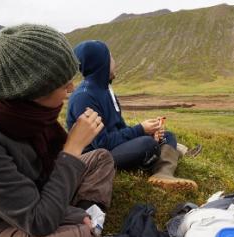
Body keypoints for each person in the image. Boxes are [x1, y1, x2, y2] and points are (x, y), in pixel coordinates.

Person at [0, 24, 116, 237]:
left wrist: (74, 214)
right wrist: (72, 149)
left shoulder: (27, 114)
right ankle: (81, 226)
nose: (71, 88)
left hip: (37, 195)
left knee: (100, 158)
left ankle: (86, 219)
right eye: (64, 84)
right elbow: (37, 221)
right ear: (34, 91)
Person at [66, 40, 199, 190]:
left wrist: (148, 132)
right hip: (97, 156)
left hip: (112, 148)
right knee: (147, 144)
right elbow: (102, 144)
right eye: (111, 58)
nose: (115, 62)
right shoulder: (84, 97)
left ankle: (163, 174)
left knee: (167, 136)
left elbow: (119, 128)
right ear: (101, 63)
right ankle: (166, 155)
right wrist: (140, 130)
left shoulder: (105, 90)